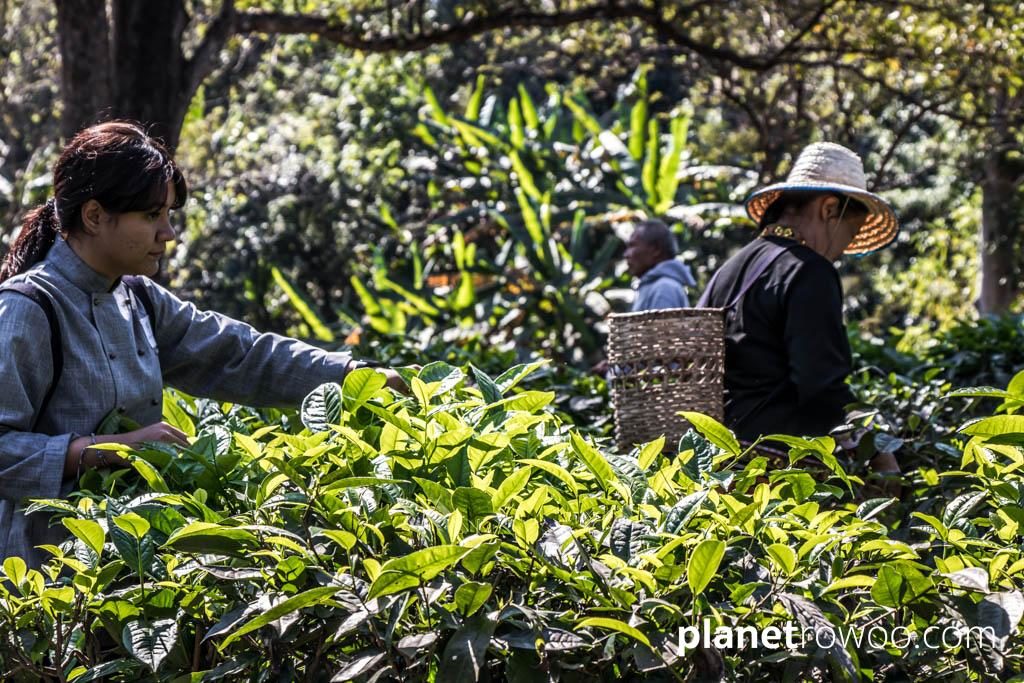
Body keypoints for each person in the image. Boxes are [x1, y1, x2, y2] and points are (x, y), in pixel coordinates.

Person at [0, 121, 406, 567]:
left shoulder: (138, 298)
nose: (168, 233)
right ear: (95, 216)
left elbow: (240, 355)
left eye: (169, 214)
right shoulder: (29, 308)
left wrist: (351, 377)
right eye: (152, 215)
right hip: (42, 581)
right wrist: (106, 450)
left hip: (133, 560)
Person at [698, 142, 900, 473]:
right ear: (830, 209)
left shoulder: (731, 268)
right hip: (777, 459)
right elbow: (822, 385)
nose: (841, 251)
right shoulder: (810, 270)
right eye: (850, 234)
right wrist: (878, 450)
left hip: (718, 452)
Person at [624, 219, 696, 311]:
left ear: (656, 250)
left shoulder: (664, 288)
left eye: (633, 246)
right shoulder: (654, 286)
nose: (626, 254)